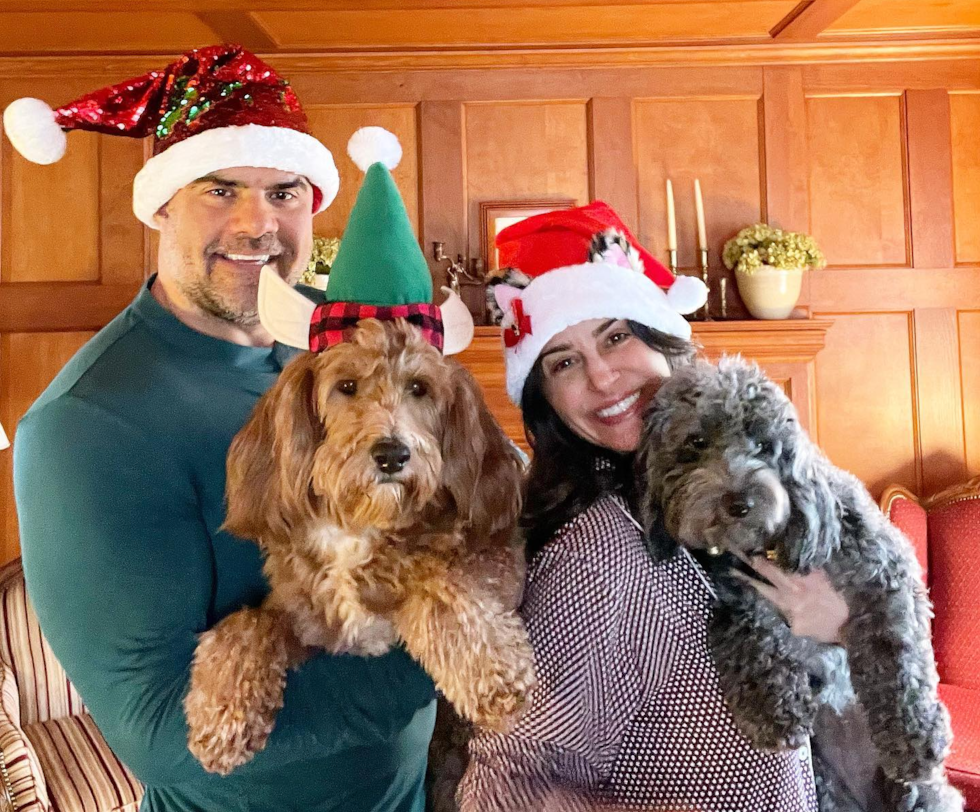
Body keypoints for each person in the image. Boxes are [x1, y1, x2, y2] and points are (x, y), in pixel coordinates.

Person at [5, 45, 436, 812]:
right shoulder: (87, 428)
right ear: (162, 205)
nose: (257, 223)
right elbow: (165, 734)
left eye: (284, 191)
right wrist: (447, 649)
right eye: (221, 189)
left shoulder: (336, 338)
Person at [460, 202, 850, 812]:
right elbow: (508, 788)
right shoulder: (601, 554)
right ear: (547, 402)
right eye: (563, 362)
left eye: (616, 334)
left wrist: (840, 625)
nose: (604, 377)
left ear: (663, 335)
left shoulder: (746, 482)